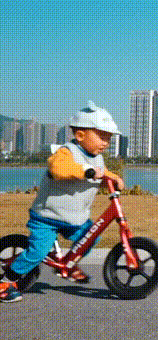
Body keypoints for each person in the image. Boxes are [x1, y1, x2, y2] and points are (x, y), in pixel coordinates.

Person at [0, 102, 125, 303]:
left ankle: (68, 263)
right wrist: (86, 171)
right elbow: (58, 168)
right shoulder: (66, 152)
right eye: (102, 136)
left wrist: (113, 178)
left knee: (90, 237)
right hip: (47, 217)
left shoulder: (97, 159)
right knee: (38, 252)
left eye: (108, 138)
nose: (106, 142)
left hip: (74, 218)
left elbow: (101, 175)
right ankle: (6, 282)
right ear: (81, 135)